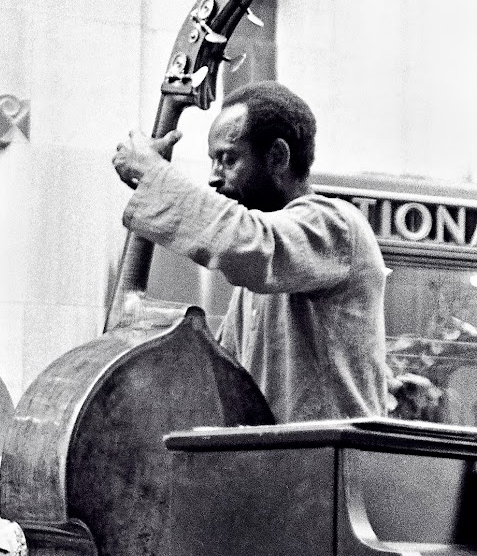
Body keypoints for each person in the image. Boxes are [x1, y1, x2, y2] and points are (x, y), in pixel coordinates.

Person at [111, 81, 387, 423]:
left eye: (228, 159)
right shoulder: (258, 277)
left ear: (278, 157)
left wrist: (154, 174)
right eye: (213, 161)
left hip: (331, 470)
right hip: (279, 468)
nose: (213, 177)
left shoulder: (335, 225)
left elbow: (248, 242)